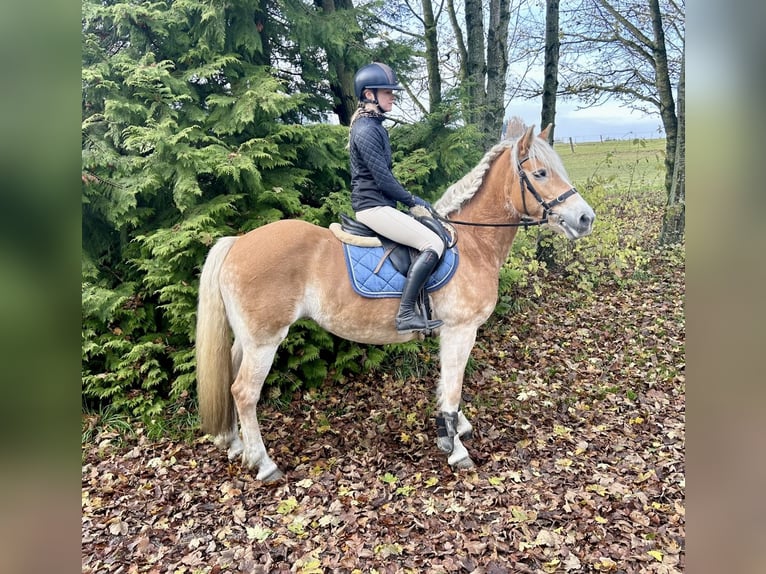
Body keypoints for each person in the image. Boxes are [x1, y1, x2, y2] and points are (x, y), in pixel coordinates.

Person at [348, 62, 445, 333]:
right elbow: (383, 179)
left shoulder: (374, 125)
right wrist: (412, 201)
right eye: (387, 92)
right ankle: (404, 315)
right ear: (369, 95)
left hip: (379, 205)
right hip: (372, 208)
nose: (393, 96)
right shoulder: (366, 129)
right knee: (433, 243)